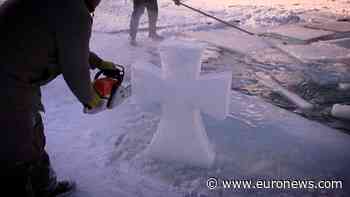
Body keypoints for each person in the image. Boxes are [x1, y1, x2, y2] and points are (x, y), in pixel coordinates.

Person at [0, 0, 118, 196]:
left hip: (15, 75)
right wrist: (90, 98)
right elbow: (74, 69)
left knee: (29, 132)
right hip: (9, 81)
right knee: (17, 148)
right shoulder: (74, 10)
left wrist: (97, 62)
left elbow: (64, 41)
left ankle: (42, 185)